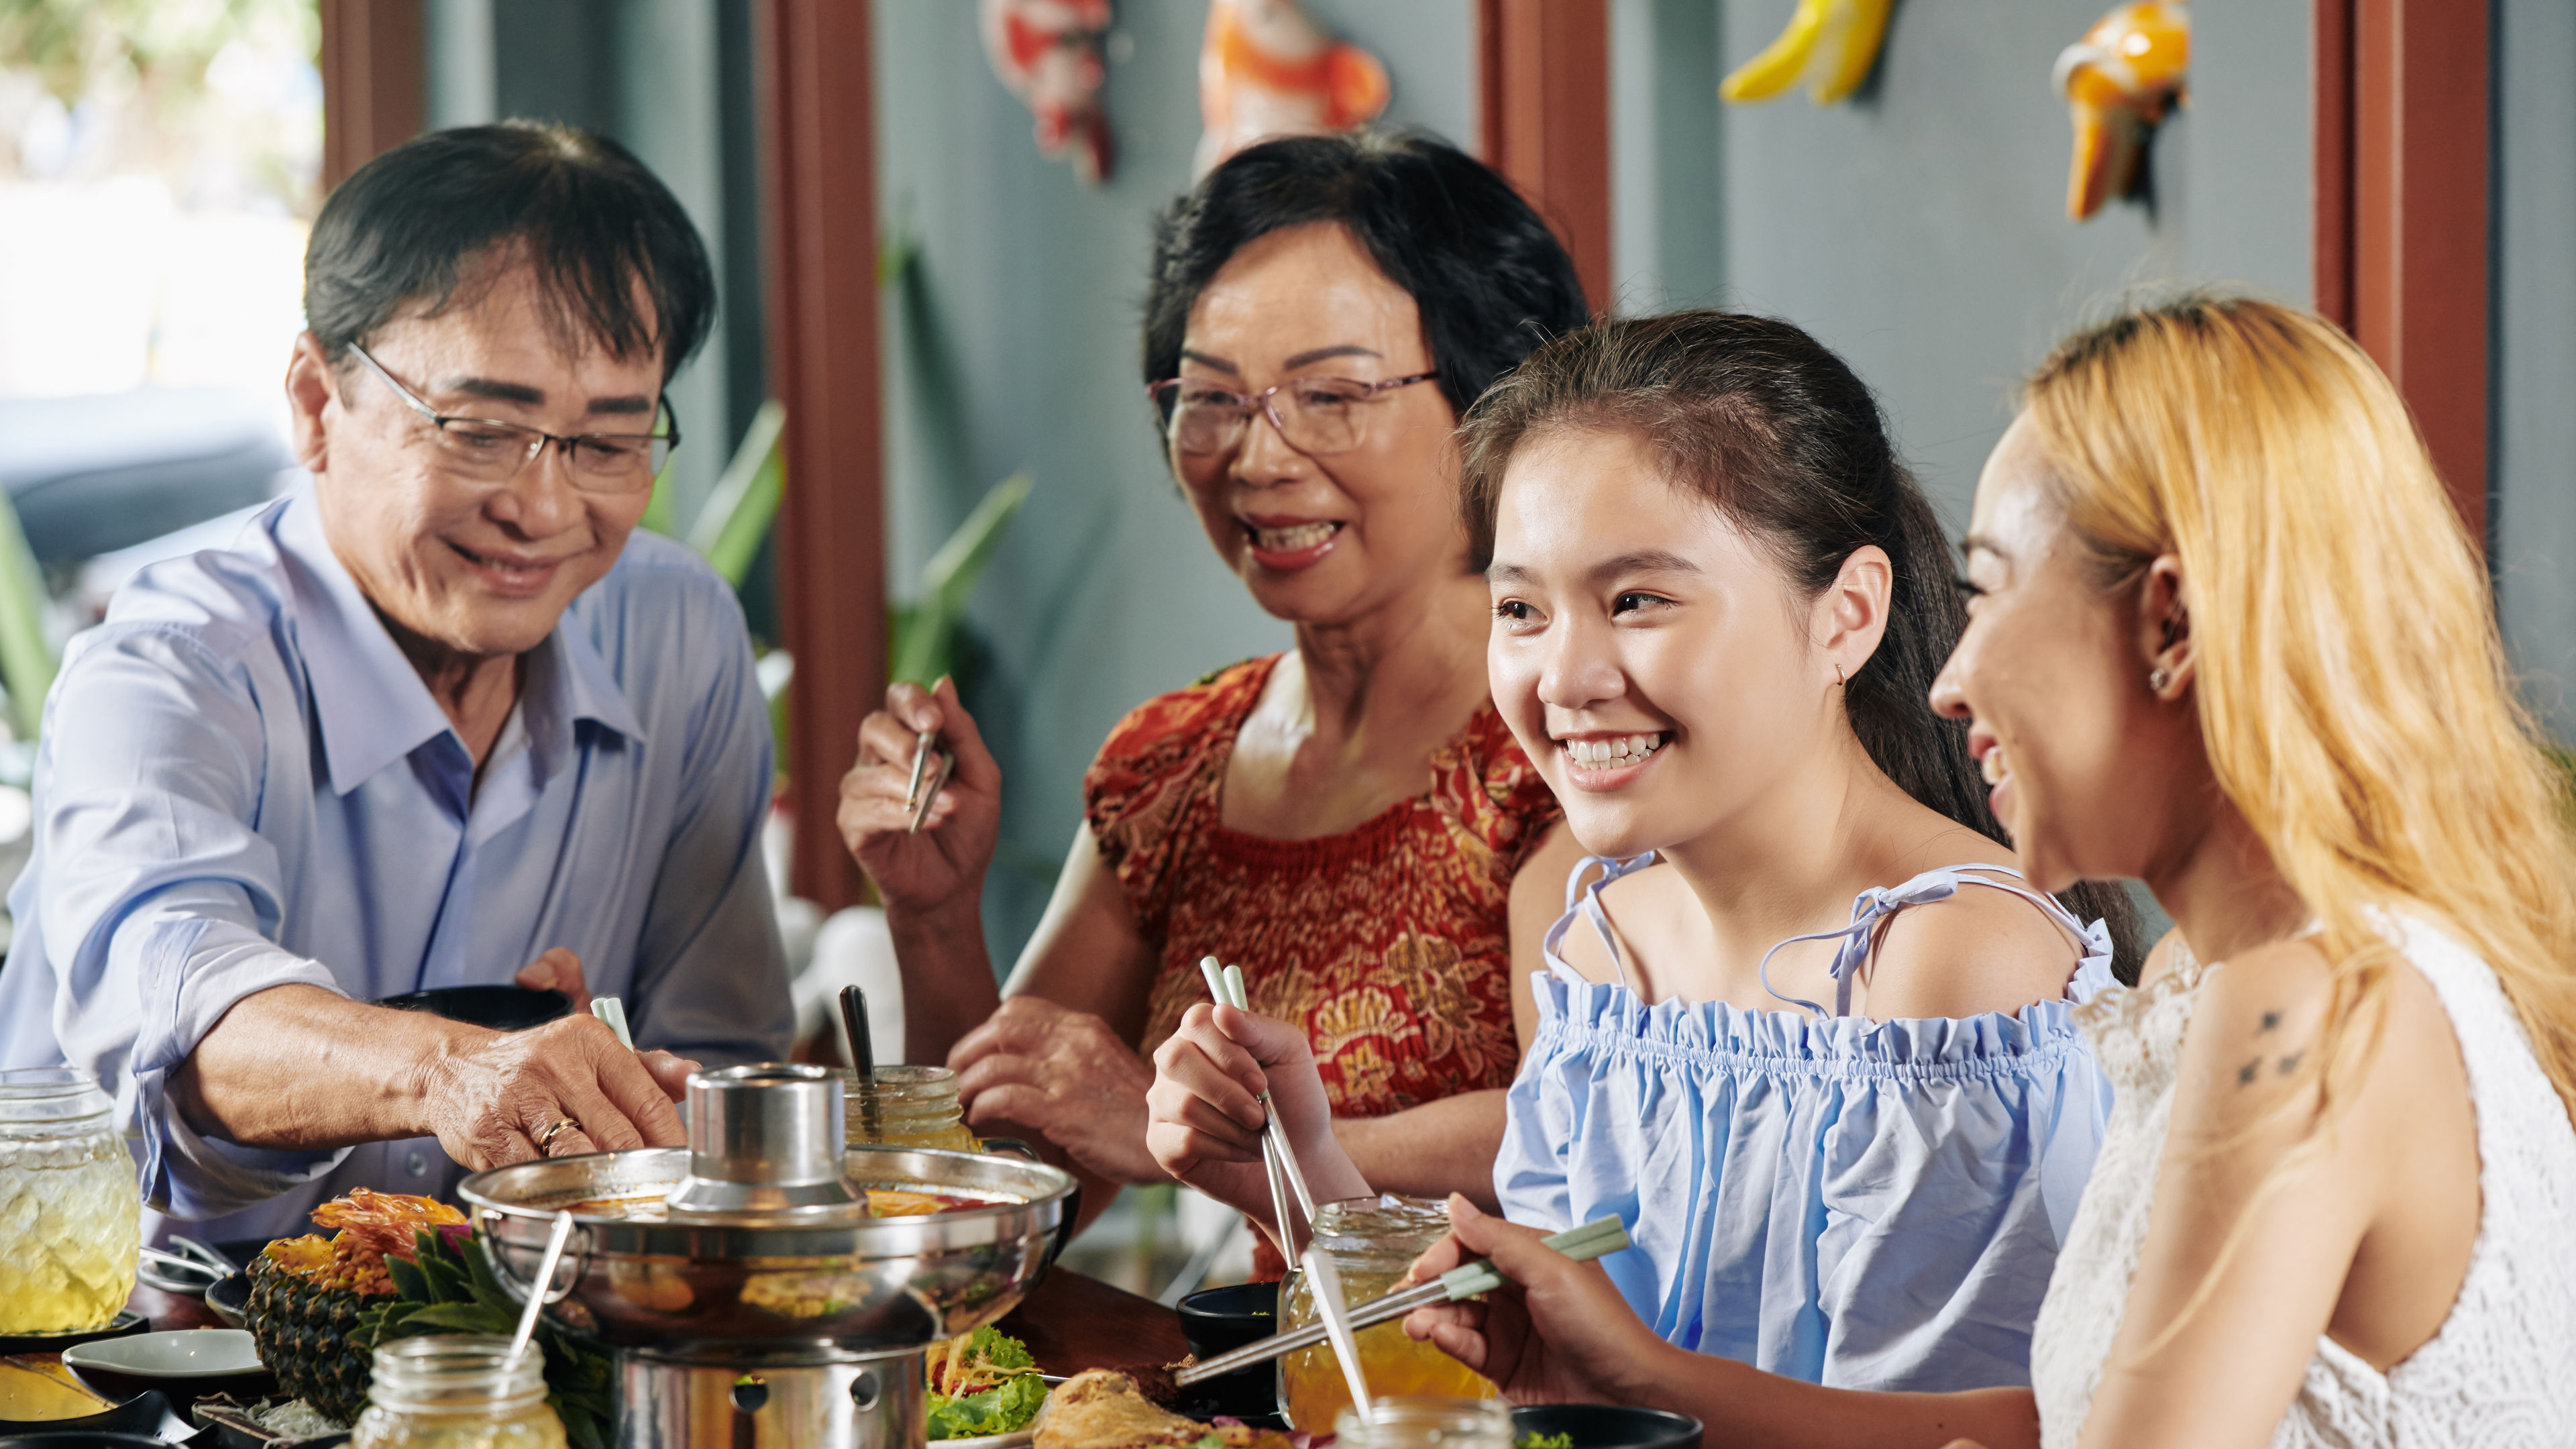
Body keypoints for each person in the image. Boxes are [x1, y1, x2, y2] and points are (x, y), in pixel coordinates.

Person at [1387, 297, 2576, 1446]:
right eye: (1522, 608)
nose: (1949, 680)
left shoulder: (2301, 1010)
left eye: (1991, 590)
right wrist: (1633, 1375)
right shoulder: (2215, 974)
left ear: (2170, 628)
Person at [1148, 311, 2137, 1390]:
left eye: (1636, 601)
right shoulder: (1604, 944)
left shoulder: (1947, 968)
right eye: (1520, 606)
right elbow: (1536, 1364)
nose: (1564, 679)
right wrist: (1300, 1162)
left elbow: (1980, 1431)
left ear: (1846, 616)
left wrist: (1628, 1378)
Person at [0, 121, 793, 1241]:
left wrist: (618, 1089)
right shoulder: (170, 670)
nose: (546, 508)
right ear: (319, 404)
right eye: (481, 428)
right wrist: (450, 1071)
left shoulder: (675, 633)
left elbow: (723, 1061)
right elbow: (188, 1033)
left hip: (488, 1361)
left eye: (608, 444)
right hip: (116, 1364)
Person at [837, 131, 1591, 1238]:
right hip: (1258, 1391)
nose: (1259, 458)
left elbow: (1586, 1130)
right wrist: (935, 916)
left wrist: (1197, 1136)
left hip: (1497, 1400)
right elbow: (1017, 1189)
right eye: (1212, 400)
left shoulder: (1572, 726)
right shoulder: (1174, 762)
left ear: (1495, 403)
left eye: (1330, 394)